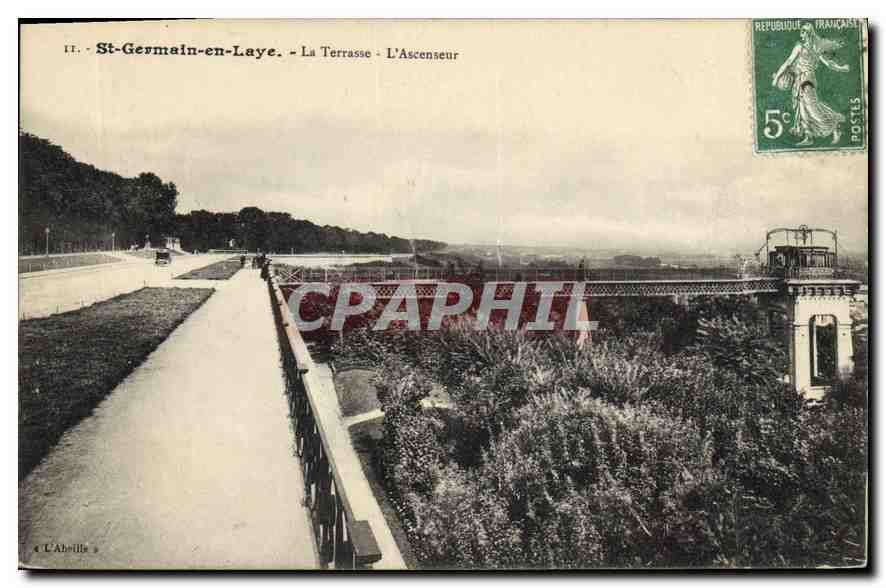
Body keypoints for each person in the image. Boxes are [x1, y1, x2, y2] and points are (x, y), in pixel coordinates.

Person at [771, 22, 850, 146]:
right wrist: (778, 77)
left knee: (812, 108)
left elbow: (828, 63)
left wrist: (841, 68)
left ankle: (835, 125)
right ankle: (809, 137)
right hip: (800, 79)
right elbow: (788, 63)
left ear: (809, 33)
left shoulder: (813, 49)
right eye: (801, 32)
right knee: (804, 109)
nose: (801, 35)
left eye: (803, 32)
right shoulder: (801, 47)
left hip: (806, 79)